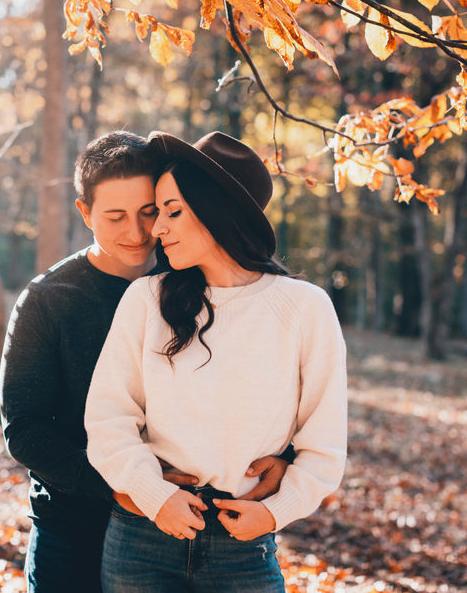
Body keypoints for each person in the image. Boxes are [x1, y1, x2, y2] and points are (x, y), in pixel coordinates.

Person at [0, 131, 290, 592]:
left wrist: (285, 458)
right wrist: (122, 487)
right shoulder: (47, 300)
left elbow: (257, 384)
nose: (136, 233)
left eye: (149, 211)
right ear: (85, 212)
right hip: (72, 527)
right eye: (115, 217)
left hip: (177, 536)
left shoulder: (195, 283)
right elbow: (24, 429)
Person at [84, 131, 349, 592]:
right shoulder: (147, 299)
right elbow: (109, 418)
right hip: (144, 539)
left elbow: (324, 445)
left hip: (242, 546)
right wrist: (155, 496)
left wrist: (274, 513)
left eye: (172, 211)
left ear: (216, 212)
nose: (156, 228)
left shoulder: (304, 308)